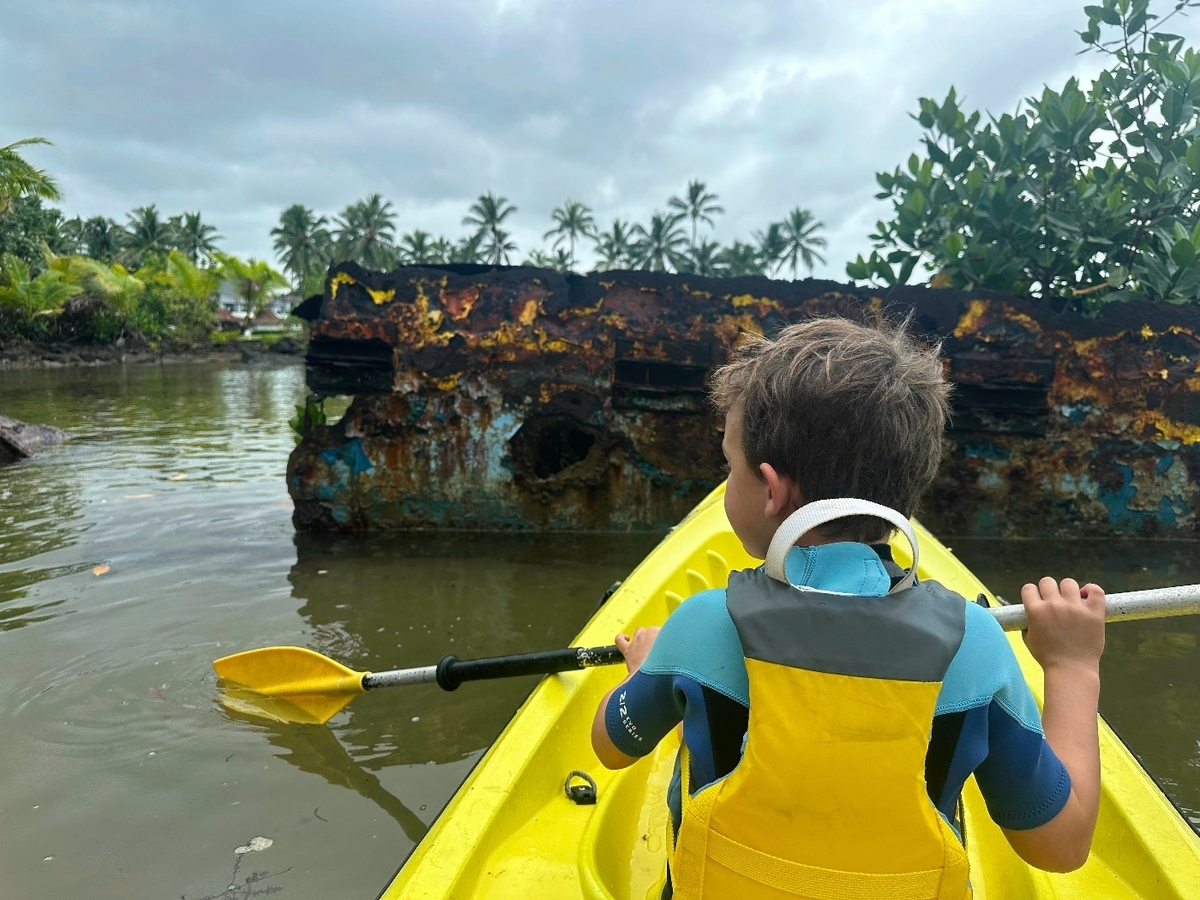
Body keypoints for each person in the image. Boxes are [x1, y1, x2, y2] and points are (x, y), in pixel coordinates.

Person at [590, 317, 1106, 900]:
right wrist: (1072, 667)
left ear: (771, 491)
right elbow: (1061, 847)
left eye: (730, 466)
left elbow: (612, 745)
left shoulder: (703, 626)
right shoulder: (977, 645)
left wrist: (646, 666)